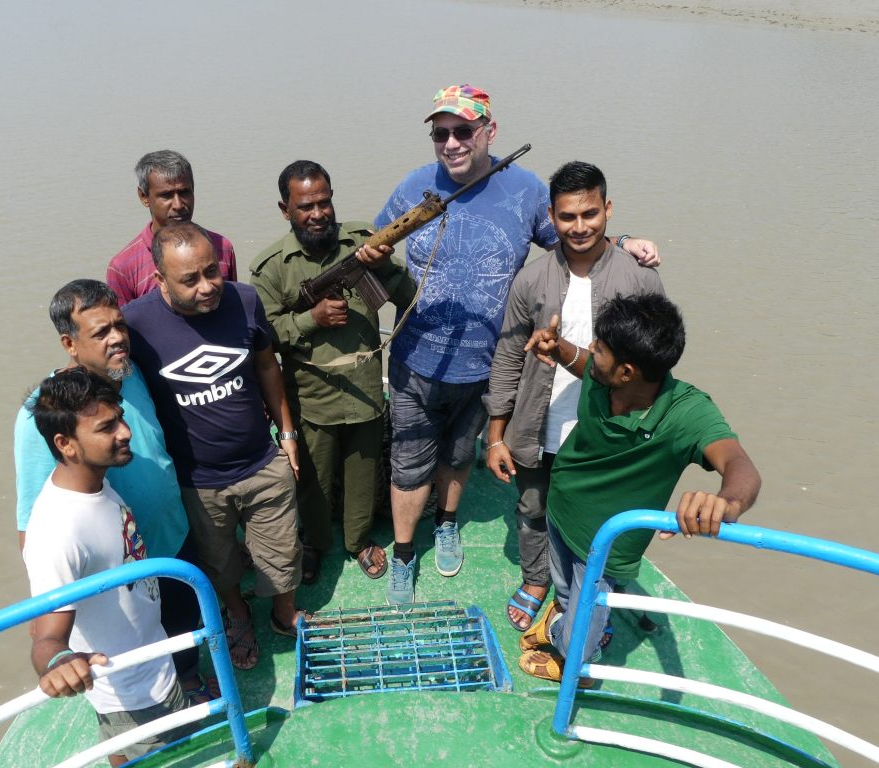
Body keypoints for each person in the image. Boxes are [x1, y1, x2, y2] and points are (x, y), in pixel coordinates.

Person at [374, 83, 659, 604]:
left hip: (484, 365)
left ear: (489, 131)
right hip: (413, 360)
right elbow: (376, 251)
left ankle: (448, 521)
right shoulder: (412, 185)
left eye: (464, 131)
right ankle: (403, 553)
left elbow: (572, 242)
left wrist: (625, 243)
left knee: (459, 456)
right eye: (442, 134)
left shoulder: (526, 189)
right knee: (407, 462)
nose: (453, 143)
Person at [517, 293, 761, 683]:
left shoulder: (686, 413)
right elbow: (583, 364)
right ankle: (565, 615)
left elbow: (740, 466)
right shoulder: (603, 378)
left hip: (604, 545)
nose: (590, 351)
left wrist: (726, 503)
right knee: (564, 591)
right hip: (560, 512)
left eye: (599, 348)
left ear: (627, 372)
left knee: (579, 648)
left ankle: (568, 652)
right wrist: (559, 347)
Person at [484, 161, 665, 631]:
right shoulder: (531, 280)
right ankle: (536, 579)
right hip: (538, 425)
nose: (579, 227)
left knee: (597, 519)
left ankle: (589, 594)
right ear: (551, 216)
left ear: (607, 209)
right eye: (567, 217)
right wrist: (496, 435)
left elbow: (657, 369)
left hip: (605, 434)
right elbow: (507, 357)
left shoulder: (640, 280)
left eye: (590, 214)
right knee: (532, 509)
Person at [14, 279, 213, 701]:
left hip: (173, 536)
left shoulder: (131, 373)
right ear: (69, 343)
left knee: (181, 623)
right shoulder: (46, 415)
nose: (118, 338)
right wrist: (48, 623)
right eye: (101, 332)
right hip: (120, 575)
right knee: (135, 669)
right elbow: (30, 523)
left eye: (119, 326)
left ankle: (189, 678)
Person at [123, 221, 302, 671]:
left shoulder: (244, 300)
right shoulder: (137, 325)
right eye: (190, 279)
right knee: (219, 566)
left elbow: (265, 365)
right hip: (197, 481)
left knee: (282, 551)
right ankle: (238, 614)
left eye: (211, 272)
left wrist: (288, 434)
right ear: (160, 279)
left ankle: (285, 615)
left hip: (262, 462)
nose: (207, 287)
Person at [250, 161, 416, 585]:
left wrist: (382, 266)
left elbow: (408, 296)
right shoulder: (272, 268)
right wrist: (312, 318)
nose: (319, 214)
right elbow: (266, 337)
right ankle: (315, 543)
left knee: (363, 474)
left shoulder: (362, 241)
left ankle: (358, 541)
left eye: (325, 202)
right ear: (285, 209)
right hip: (311, 395)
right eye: (306, 206)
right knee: (314, 481)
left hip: (363, 389)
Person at [23, 367, 196, 766]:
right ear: (66, 444)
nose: (125, 432)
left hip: (156, 663)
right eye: (106, 427)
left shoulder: (94, 484)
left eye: (119, 417)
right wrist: (57, 663)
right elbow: (45, 634)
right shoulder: (57, 531)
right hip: (130, 692)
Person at [107, 150, 237, 306]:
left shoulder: (221, 247)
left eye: (184, 192)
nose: (179, 205)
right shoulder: (123, 268)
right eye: (166, 195)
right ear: (144, 197)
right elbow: (122, 326)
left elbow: (231, 309)